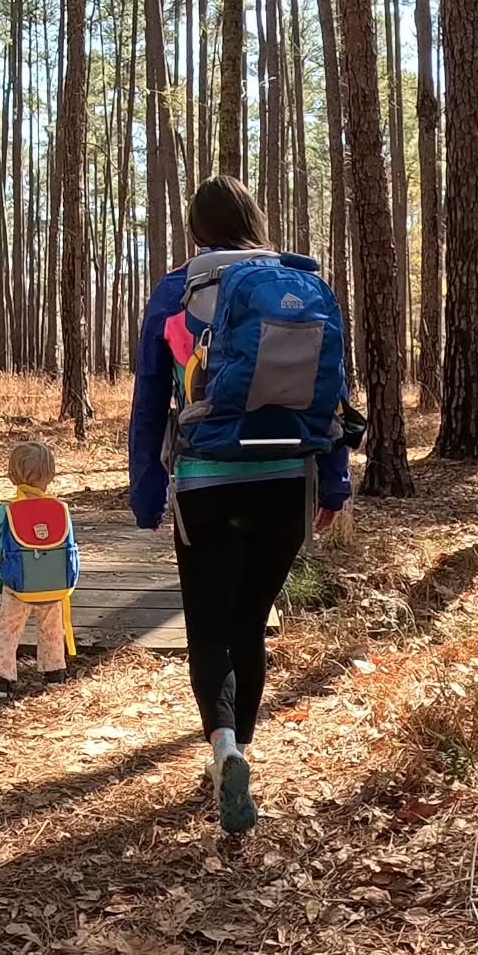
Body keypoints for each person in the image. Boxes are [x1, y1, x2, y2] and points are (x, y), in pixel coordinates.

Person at [128, 175, 354, 834]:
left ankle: (224, 749)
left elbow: (151, 395)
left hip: (207, 480)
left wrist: (146, 487)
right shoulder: (298, 284)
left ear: (195, 229)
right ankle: (244, 752)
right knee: (251, 624)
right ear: (255, 217)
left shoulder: (177, 292)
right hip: (287, 478)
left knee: (210, 628)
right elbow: (332, 390)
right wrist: (333, 481)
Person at [0, 441, 80, 701]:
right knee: (51, 627)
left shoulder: (3, 513)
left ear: (11, 476)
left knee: (7, 629)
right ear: (50, 476)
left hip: (17, 585)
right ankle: (54, 673)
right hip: (53, 584)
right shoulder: (60, 510)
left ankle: (0, 681)